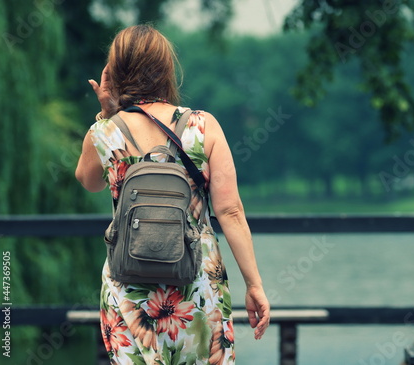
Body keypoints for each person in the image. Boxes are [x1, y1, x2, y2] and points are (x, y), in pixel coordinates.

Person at [75, 24, 270, 364]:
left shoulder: (104, 131)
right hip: (196, 284)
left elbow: (87, 180)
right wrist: (254, 285)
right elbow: (231, 212)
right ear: (166, 70)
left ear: (115, 72)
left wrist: (107, 115)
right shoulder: (203, 126)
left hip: (128, 288)